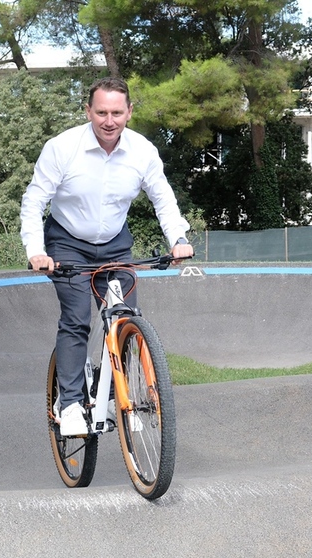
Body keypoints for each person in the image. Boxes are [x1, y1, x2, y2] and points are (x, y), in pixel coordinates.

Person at [20, 77, 194, 437]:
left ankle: (119, 392)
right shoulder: (62, 147)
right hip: (66, 242)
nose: (109, 120)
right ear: (88, 112)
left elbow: (162, 197)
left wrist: (178, 238)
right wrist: (36, 251)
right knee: (77, 317)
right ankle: (69, 403)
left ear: (129, 112)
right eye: (101, 112)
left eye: (117, 112)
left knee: (127, 318)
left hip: (115, 243)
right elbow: (34, 200)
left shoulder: (142, 151)